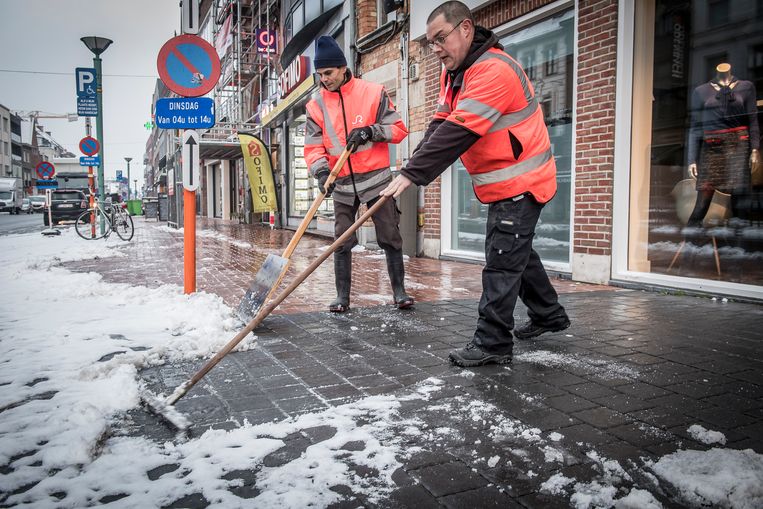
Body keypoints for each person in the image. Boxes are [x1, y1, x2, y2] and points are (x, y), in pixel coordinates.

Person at [381, 1, 569, 367]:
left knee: (502, 261)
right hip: (505, 183)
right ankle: (549, 315)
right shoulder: (456, 73)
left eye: (440, 39)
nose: (435, 49)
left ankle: (493, 342)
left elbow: (458, 131)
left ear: (465, 28)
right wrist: (410, 167)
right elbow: (440, 123)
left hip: (524, 182)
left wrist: (410, 176)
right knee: (517, 253)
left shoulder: (494, 71)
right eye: (431, 42)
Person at [305, 35, 414, 313]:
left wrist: (370, 131)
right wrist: (321, 172)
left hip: (377, 182)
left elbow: (399, 130)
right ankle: (342, 297)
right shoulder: (315, 105)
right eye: (320, 74)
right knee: (342, 240)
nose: (324, 79)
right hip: (340, 184)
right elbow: (313, 146)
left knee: (390, 235)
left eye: (328, 73)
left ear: (343, 68)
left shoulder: (373, 92)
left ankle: (399, 292)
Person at [686, 63, 759, 228]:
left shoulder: (747, 87)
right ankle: (689, 243)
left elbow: (753, 121)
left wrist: (755, 149)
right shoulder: (701, 91)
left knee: (740, 204)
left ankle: (740, 248)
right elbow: (695, 127)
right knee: (702, 204)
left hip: (739, 148)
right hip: (712, 149)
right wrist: (692, 159)